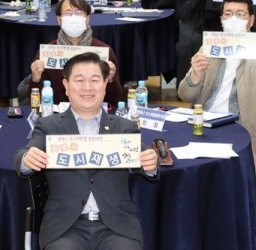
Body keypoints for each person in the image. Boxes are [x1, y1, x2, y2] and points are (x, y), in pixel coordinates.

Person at [15, 51, 159, 250]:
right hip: (64, 227)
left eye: (95, 80)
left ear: (105, 83)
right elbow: (24, 154)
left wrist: (151, 163)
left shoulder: (124, 126)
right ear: (66, 86)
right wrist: (26, 159)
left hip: (117, 226)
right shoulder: (48, 125)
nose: (87, 87)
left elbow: (146, 161)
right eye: (79, 80)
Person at [178, 0, 256, 207]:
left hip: (246, 129)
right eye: (228, 14)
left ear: (250, 20)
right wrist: (195, 75)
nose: (233, 19)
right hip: (206, 124)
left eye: (240, 14)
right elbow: (186, 95)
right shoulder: (208, 49)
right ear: (221, 19)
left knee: (231, 192)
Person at [28, 0, 123, 107]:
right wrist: (36, 79)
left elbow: (115, 100)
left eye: (78, 13)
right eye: (68, 13)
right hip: (56, 117)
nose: (73, 18)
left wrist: (111, 80)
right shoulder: (47, 52)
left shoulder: (103, 51)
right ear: (59, 20)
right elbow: (34, 100)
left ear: (87, 19)